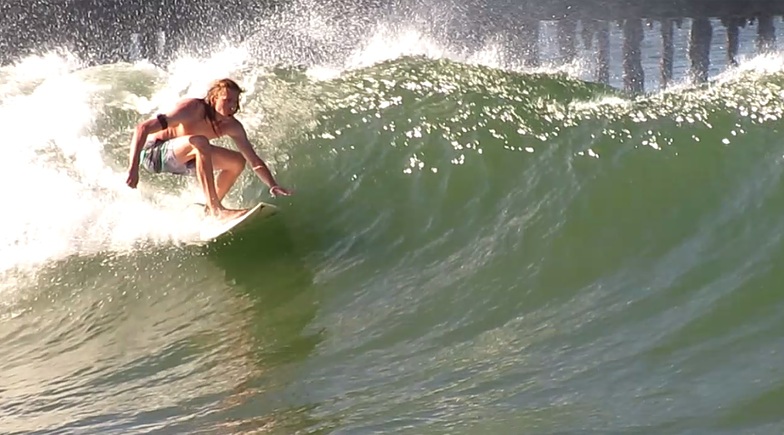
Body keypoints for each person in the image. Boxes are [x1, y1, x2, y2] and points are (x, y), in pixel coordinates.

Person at [125, 78, 291, 221]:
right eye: (227, 100)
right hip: (154, 154)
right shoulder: (192, 108)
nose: (232, 106)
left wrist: (272, 185)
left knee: (238, 161)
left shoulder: (231, 126)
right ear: (214, 97)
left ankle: (210, 210)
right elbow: (142, 128)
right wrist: (133, 169)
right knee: (200, 142)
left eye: (235, 101)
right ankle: (216, 209)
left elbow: (253, 160)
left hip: (185, 159)